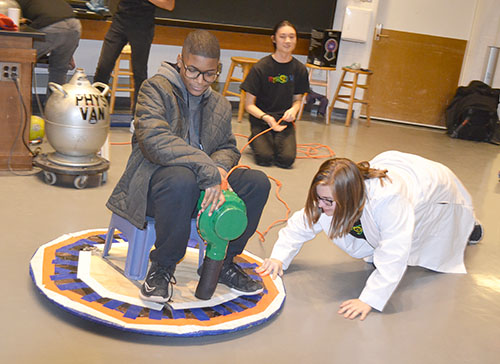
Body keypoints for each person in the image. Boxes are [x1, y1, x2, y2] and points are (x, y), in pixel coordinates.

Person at [106, 30, 271, 303]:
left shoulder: (218, 103)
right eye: (193, 71)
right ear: (180, 61)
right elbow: (154, 141)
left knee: (257, 183)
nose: (200, 81)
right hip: (155, 189)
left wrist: (218, 169)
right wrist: (207, 170)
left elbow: (228, 147)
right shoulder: (154, 89)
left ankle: (223, 263)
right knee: (183, 179)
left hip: (205, 189)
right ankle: (162, 267)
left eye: (209, 74)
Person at [257, 151, 483, 320]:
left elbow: (395, 250)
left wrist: (369, 299)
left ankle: (471, 226)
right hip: (403, 168)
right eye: (318, 198)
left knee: (443, 230)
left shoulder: (389, 201)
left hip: (435, 188)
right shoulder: (333, 192)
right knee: (376, 234)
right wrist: (279, 258)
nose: (320, 205)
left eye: (327, 201)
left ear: (349, 198)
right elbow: (302, 223)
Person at [241, 20, 309, 168]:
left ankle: (273, 140)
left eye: (292, 37)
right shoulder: (261, 68)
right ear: (274, 39)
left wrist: (294, 110)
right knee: (265, 158)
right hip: (262, 120)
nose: (287, 41)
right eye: (283, 36)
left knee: (286, 161)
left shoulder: (300, 69)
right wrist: (266, 118)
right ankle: (254, 139)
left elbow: (298, 99)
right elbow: (249, 105)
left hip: (284, 121)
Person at [93, 0, 175, 114]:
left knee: (139, 73)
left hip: (142, 26)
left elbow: (169, 5)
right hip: (120, 20)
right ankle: (96, 110)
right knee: (103, 67)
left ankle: (138, 117)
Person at [17, 0, 81, 95]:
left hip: (51, 26)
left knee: (19, 61)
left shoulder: (11, 2)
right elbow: (64, 30)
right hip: (75, 25)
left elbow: (13, 23)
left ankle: (17, 103)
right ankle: (54, 106)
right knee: (59, 70)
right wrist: (69, 54)